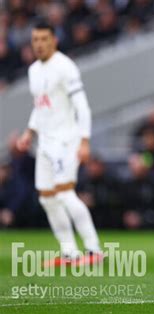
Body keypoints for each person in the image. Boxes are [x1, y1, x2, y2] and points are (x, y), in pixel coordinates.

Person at [16, 21, 101, 266]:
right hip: (44, 143)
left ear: (54, 40)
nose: (39, 44)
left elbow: (82, 107)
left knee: (65, 194)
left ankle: (94, 250)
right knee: (46, 198)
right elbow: (41, 106)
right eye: (35, 40)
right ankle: (69, 252)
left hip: (67, 140)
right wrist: (29, 132)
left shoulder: (65, 67)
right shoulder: (34, 70)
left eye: (44, 39)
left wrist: (84, 141)